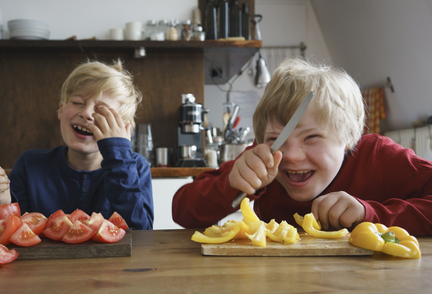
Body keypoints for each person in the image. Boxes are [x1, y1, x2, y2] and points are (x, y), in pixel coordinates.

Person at [172, 58, 432, 236]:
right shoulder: (263, 160)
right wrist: (232, 182)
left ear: (349, 136)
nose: (292, 156)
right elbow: (182, 210)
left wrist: (371, 214)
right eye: (277, 139)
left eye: (312, 137)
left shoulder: (377, 156)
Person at [0, 60, 154, 230]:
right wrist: (0, 204)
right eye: (77, 103)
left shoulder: (136, 167)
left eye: (102, 110)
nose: (86, 113)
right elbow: (7, 237)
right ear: (61, 110)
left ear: (123, 129)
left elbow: (141, 234)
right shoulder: (30, 165)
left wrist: (119, 157)